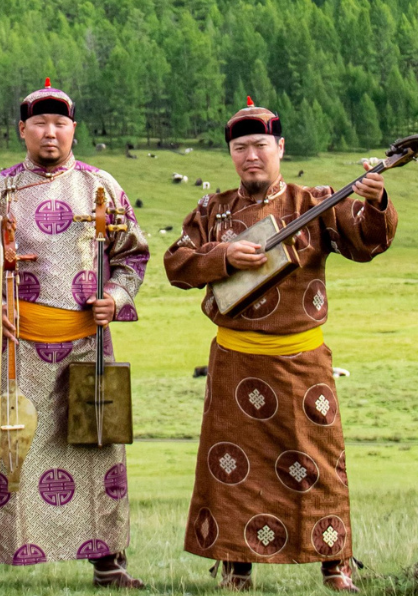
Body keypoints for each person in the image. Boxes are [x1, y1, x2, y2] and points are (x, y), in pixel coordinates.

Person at [163, 98, 398, 592]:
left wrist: (375, 202)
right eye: (241, 147)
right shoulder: (212, 208)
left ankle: (336, 564)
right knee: (232, 471)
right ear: (231, 153)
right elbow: (176, 263)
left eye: (261, 146)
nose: (251, 156)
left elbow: (365, 243)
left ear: (280, 148)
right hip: (234, 362)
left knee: (319, 463)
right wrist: (222, 255)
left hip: (301, 361)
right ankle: (235, 566)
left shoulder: (315, 201)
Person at [0, 79, 149, 591]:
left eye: (60, 122)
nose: (51, 132)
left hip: (87, 343)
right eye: (40, 123)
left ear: (74, 129)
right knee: (5, 448)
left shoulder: (102, 187)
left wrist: (117, 299)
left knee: (96, 447)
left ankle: (108, 559)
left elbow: (132, 256)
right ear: (23, 130)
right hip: (15, 345)